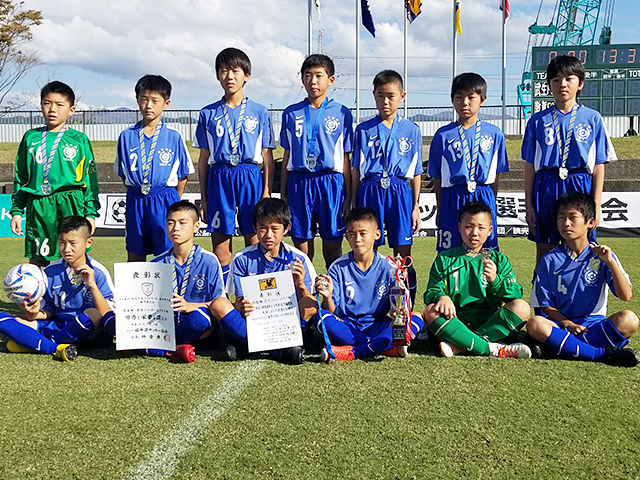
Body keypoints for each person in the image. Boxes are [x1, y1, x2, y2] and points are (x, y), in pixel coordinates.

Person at [522, 55, 615, 267]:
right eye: (556, 80)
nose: (562, 84)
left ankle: (582, 286)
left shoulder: (593, 118)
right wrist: (529, 205)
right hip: (547, 185)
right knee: (545, 248)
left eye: (568, 79)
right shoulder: (537, 121)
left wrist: (596, 204)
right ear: (549, 85)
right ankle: (542, 288)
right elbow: (529, 166)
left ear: (580, 83)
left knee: (581, 247)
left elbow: (599, 164)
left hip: (579, 182)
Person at [527, 192, 639, 367]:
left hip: (593, 326)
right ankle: (601, 354)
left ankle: (562, 347)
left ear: (590, 222)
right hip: (562, 326)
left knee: (629, 320)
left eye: (573, 217)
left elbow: (625, 295)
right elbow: (545, 305)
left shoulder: (602, 255)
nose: (566, 223)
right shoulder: (549, 259)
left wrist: (610, 263)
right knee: (535, 324)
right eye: (561, 218)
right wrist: (568, 324)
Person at [193, 47, 275, 285]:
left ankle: (257, 298)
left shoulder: (259, 111)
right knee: (221, 248)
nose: (229, 76)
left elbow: (267, 154)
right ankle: (223, 299)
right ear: (218, 75)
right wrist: (204, 198)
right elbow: (203, 158)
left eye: (235, 70)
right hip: (219, 177)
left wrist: (267, 190)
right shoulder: (207, 113)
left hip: (250, 175)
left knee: (255, 241)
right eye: (224, 70)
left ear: (246, 75)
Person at [209, 198, 318, 365]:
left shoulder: (299, 258)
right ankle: (280, 351)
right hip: (254, 322)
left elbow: (310, 302)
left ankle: (247, 346)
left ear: (286, 229)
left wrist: (301, 285)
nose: (268, 235)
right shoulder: (242, 258)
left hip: (287, 324)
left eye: (275, 229)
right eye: (263, 228)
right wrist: (241, 306)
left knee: (311, 304)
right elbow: (238, 303)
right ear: (254, 228)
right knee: (218, 304)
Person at [313, 207, 424, 362]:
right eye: (352, 234)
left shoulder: (390, 267)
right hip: (347, 326)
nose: (357, 239)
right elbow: (331, 310)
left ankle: (353, 351)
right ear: (347, 237)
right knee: (321, 317)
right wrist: (327, 296)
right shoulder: (337, 268)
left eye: (363, 233)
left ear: (377, 234)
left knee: (416, 318)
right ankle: (382, 347)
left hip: (378, 325)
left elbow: (397, 308)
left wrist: (397, 313)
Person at [422, 201, 532, 358]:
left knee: (522, 307)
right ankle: (493, 349)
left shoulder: (497, 259)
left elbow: (516, 293)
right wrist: (442, 296)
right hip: (455, 321)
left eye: (481, 228)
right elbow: (431, 291)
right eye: (469, 226)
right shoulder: (445, 258)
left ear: (490, 231)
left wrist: (495, 280)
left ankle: (461, 344)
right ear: (459, 227)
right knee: (431, 311)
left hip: (490, 323)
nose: (474, 233)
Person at [10, 81, 100, 266]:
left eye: (59, 104)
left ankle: (78, 286)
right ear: (41, 105)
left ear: (71, 110)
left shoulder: (79, 139)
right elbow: (21, 177)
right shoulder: (30, 137)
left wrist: (90, 213)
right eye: (47, 103)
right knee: (38, 258)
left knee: (74, 256)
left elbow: (89, 178)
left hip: (71, 201)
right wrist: (17, 211)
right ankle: (36, 286)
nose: (52, 109)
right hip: (39, 203)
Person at [0, 216, 114, 361]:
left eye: (73, 243)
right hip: (58, 325)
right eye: (61, 243)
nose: (66, 249)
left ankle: (41, 343)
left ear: (88, 242)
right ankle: (55, 347)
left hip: (91, 333)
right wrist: (34, 313)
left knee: (93, 314)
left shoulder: (98, 272)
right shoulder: (50, 272)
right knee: (3, 318)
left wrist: (92, 286)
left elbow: (107, 315)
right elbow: (49, 311)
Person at [351, 69, 422, 304]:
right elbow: (355, 169)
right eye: (380, 95)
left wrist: (415, 206)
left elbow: (416, 171)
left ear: (402, 96)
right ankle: (371, 303)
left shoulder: (412, 130)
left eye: (391, 96)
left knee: (403, 253)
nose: (385, 101)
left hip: (399, 190)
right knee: (368, 251)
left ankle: (406, 307)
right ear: (374, 95)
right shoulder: (363, 129)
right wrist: (353, 200)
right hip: (370, 189)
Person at [280, 54, 353, 268]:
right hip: (300, 182)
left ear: (331, 80)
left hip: (331, 183)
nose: (313, 81)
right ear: (302, 79)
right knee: (302, 250)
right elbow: (287, 155)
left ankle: (334, 288)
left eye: (319, 76)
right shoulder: (290, 113)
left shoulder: (342, 113)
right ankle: (304, 288)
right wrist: (283, 192)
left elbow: (345, 157)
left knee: (332, 247)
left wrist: (349, 195)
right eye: (308, 75)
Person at [115, 74, 194, 262]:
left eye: (154, 100)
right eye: (144, 99)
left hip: (164, 198)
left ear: (166, 103)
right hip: (136, 198)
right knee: (135, 252)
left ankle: (170, 283)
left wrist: (172, 201)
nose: (148, 105)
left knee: (166, 254)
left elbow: (182, 176)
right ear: (137, 100)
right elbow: (123, 173)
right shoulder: (126, 136)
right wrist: (137, 189)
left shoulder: (174, 136)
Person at [428, 72, 508, 253]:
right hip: (453, 197)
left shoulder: (494, 134)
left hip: (483, 194)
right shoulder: (442, 135)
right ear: (452, 100)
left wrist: (491, 204)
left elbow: (496, 175)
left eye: (471, 97)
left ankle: (487, 273)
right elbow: (437, 177)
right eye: (459, 97)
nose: (465, 102)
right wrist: (441, 207)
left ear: (482, 99)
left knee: (486, 252)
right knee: (449, 251)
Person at [142, 201, 224, 363]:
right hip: (165, 323)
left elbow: (219, 303)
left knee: (198, 319)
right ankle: (177, 349)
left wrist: (189, 306)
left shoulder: (209, 260)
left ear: (196, 226)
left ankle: (161, 349)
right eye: (170, 223)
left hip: (195, 323)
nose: (175, 228)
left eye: (182, 223)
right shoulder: (155, 263)